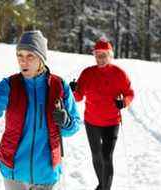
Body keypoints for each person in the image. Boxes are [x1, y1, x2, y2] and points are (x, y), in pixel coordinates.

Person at [0, 30, 81, 190]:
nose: (23, 61)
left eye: (30, 56)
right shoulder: (11, 85)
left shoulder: (59, 86)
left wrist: (66, 122)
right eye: (20, 56)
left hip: (46, 172)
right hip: (13, 168)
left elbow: (74, 126)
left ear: (41, 58)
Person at [69, 39, 134, 190]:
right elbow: (78, 97)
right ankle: (102, 185)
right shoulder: (87, 73)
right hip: (91, 121)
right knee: (96, 156)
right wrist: (73, 89)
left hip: (112, 122)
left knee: (106, 156)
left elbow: (129, 94)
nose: (100, 58)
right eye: (98, 55)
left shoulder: (119, 74)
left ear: (110, 56)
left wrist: (123, 102)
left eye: (104, 55)